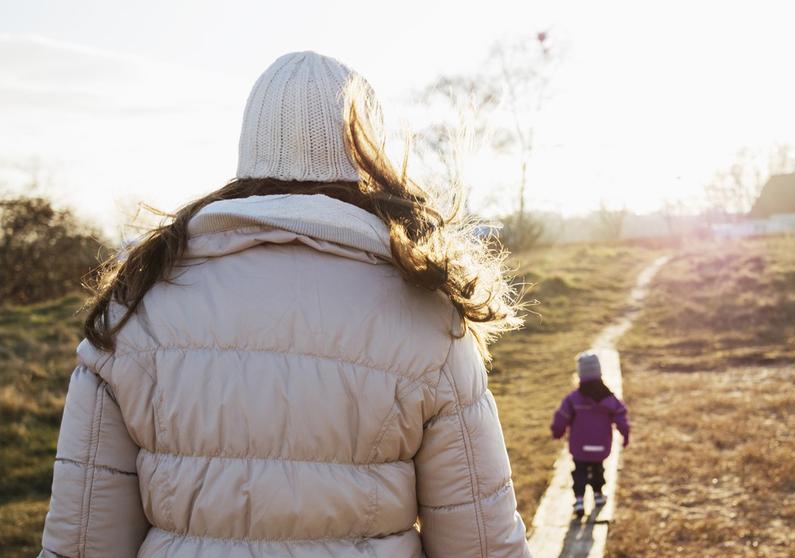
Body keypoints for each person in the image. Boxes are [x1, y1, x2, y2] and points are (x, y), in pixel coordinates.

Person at [38, 51, 531, 558]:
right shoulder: (427, 314)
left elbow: (81, 543)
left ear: (249, 149)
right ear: (365, 152)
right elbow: (483, 545)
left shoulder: (139, 304)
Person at [550, 352, 630, 518]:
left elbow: (562, 417)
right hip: (601, 445)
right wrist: (625, 434)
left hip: (579, 446)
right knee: (598, 468)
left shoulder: (573, 399)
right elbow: (621, 415)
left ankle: (579, 500)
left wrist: (557, 432)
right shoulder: (609, 399)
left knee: (579, 471)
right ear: (599, 373)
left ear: (580, 375)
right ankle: (598, 495)